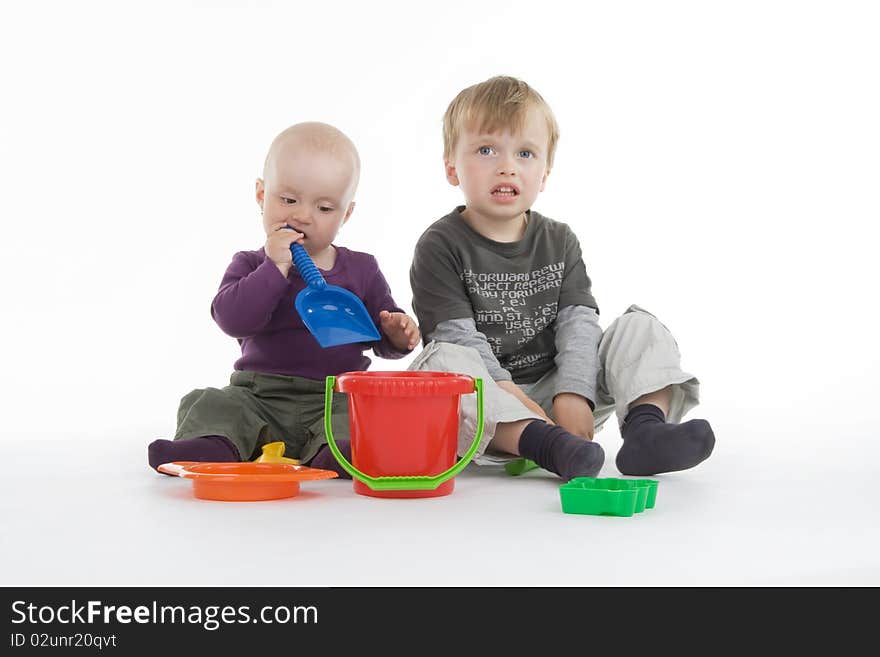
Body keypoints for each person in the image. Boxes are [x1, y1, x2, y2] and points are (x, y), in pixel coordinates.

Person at [408, 76, 715, 480]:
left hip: (564, 396)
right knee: (445, 361)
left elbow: (578, 324)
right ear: (452, 168)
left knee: (639, 326)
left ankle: (646, 431)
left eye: (525, 153)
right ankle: (546, 447)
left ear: (545, 173)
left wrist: (574, 394)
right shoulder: (440, 244)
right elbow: (458, 338)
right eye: (486, 150)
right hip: (494, 411)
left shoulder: (559, 240)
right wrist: (516, 398)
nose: (506, 166)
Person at [148, 122, 419, 476]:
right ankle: (214, 445)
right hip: (259, 394)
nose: (303, 216)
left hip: (334, 395)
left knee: (360, 416)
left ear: (346, 214)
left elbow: (379, 338)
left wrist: (397, 333)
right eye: (288, 200)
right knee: (213, 403)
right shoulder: (250, 263)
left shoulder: (362, 269)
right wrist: (275, 267)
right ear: (262, 195)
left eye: (324, 208)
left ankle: (337, 452)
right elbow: (233, 320)